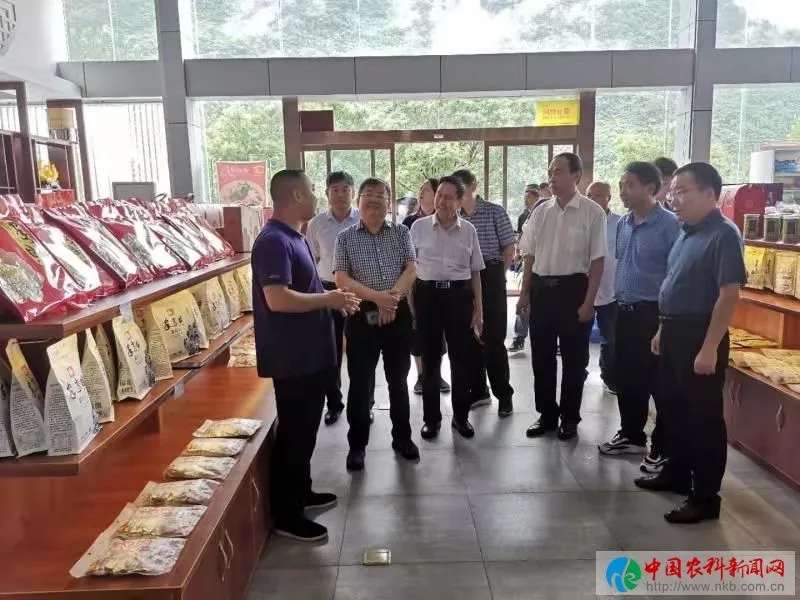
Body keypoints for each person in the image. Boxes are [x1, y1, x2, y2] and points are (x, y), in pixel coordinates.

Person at [252, 169, 360, 542]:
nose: (317, 197)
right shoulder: (272, 241)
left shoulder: (294, 236)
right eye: (313, 190)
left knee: (306, 432)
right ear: (297, 195)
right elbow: (277, 298)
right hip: (293, 358)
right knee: (294, 434)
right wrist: (328, 299)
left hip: (310, 356)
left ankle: (302, 492)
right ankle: (287, 514)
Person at [636, 162, 746, 525]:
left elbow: (728, 294)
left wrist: (709, 347)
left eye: (682, 192)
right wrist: (662, 329)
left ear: (710, 194)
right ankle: (677, 472)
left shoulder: (724, 234)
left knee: (703, 419)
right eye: (673, 192)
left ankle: (705, 496)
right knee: (673, 409)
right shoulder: (686, 232)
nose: (674, 199)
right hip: (672, 331)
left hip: (700, 335)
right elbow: (673, 283)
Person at [517, 153, 606, 441]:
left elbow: (597, 261)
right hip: (542, 289)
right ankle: (546, 414)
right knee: (541, 357)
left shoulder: (592, 212)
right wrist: (524, 293)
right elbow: (529, 255)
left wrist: (589, 302)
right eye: (550, 172)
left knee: (574, 360)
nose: (552, 177)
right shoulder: (541, 211)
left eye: (558, 171)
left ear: (576, 175)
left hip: (574, 290)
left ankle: (569, 417)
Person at [597, 163, 680, 470]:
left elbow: (675, 274)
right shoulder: (623, 223)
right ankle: (631, 435)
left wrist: (664, 321)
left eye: (630, 185)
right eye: (621, 184)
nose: (623, 191)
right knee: (627, 377)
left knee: (659, 382)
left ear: (651, 188)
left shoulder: (670, 225)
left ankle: (663, 445)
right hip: (624, 310)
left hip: (653, 314)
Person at [334, 178, 420, 471]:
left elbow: (411, 269)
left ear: (389, 202)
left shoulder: (401, 232)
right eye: (368, 194)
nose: (373, 199)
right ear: (358, 201)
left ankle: (403, 438)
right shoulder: (345, 237)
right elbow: (341, 278)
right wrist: (377, 298)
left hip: (397, 313)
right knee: (360, 384)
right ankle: (357, 446)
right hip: (361, 315)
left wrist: (391, 299)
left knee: (399, 381)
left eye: (380, 195)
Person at [410, 175, 485, 439]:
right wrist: (411, 304)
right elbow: (410, 269)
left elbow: (475, 272)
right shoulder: (418, 227)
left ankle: (461, 418)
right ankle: (431, 420)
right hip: (427, 296)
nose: (442, 201)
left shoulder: (469, 230)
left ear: (460, 201)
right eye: (439, 195)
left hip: (459, 296)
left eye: (449, 197)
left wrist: (479, 309)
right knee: (430, 360)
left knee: (460, 359)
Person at [306, 171, 374, 426]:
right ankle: (334, 403)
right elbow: (312, 260)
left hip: (360, 292)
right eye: (335, 190)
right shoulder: (316, 224)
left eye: (346, 189)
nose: (341, 195)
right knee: (330, 351)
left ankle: (365, 404)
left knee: (363, 352)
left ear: (353, 193)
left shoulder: (365, 219)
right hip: (328, 291)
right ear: (327, 193)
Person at [453, 169, 516, 417]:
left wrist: (497, 273)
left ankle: (504, 395)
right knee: (468, 339)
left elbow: (509, 248)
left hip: (491, 275)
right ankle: (479, 391)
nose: (458, 193)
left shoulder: (494, 211)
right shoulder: (453, 214)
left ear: (473, 186)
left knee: (493, 338)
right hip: (462, 278)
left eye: (462, 187)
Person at [402, 178, 451, 396]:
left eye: (426, 190)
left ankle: (436, 374)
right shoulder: (410, 222)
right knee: (418, 331)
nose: (421, 193)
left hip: (441, 285)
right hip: (415, 283)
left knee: (438, 333)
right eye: (420, 189)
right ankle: (421, 376)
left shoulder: (446, 220)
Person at [586, 181, 621, 395]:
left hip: (611, 291)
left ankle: (609, 377)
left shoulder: (620, 223)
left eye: (598, 195)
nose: (593, 199)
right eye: (589, 195)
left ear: (608, 198)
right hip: (584, 291)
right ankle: (579, 372)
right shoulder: (580, 221)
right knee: (579, 337)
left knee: (611, 339)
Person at [509, 184, 541, 353]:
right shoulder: (524, 216)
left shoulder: (545, 213)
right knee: (524, 299)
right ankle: (519, 337)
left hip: (544, 266)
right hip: (528, 262)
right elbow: (521, 237)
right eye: (525, 197)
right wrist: (518, 253)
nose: (526, 200)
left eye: (529, 197)